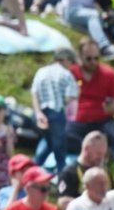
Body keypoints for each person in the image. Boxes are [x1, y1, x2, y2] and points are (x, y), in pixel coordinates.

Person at [65, 38, 114, 167]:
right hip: (77, 122)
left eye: (97, 58)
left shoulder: (109, 74)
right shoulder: (70, 74)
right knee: (62, 135)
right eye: (89, 59)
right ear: (79, 57)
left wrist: (113, 107)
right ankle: (96, 153)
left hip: (103, 121)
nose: (93, 62)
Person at [31, 46, 79, 174]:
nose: (71, 65)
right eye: (71, 62)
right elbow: (71, 96)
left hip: (40, 113)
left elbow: (34, 92)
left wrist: (38, 112)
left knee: (49, 143)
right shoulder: (66, 74)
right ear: (65, 59)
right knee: (60, 151)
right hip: (56, 113)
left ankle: (31, 170)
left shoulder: (41, 71)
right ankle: (63, 180)